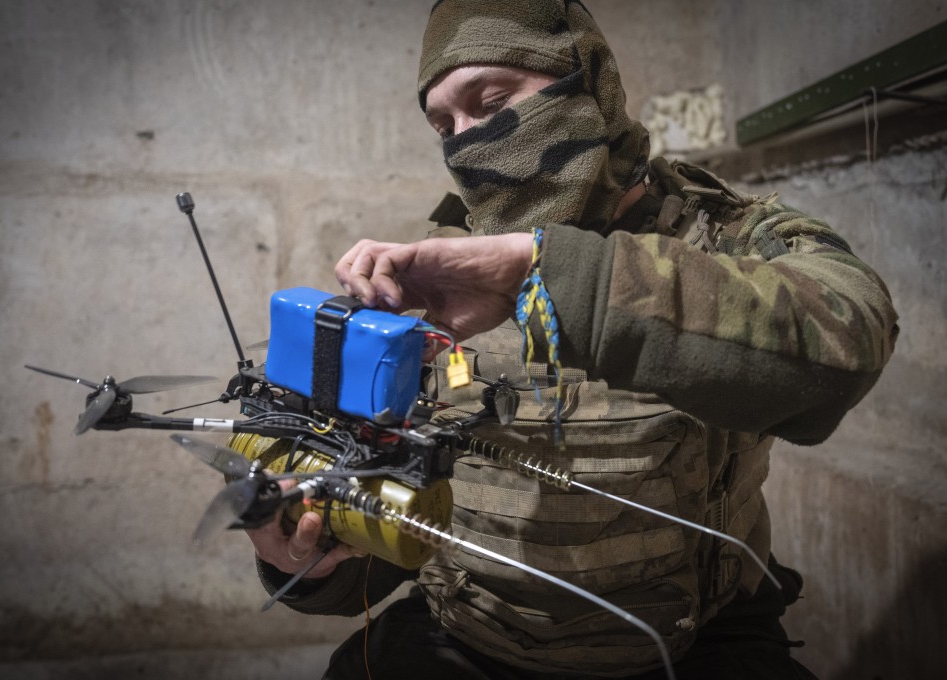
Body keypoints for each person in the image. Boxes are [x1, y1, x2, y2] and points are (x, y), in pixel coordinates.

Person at [246, 1, 899, 678]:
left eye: (491, 102)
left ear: (590, 82)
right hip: (462, 638)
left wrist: (545, 275)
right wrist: (313, 560)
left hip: (691, 645)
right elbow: (393, 536)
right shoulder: (439, 281)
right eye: (444, 127)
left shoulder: (727, 235)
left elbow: (849, 339)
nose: (466, 142)